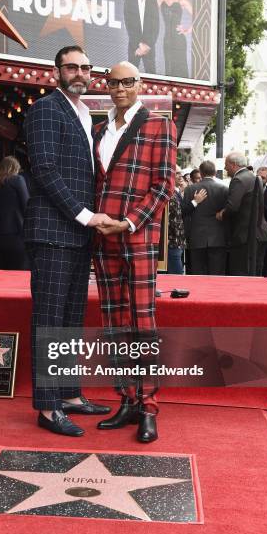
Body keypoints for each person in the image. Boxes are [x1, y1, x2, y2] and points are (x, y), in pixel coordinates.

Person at [24, 45, 112, 437]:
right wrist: (84, 215)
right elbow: (44, 168)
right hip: (54, 232)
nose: (80, 72)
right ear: (56, 71)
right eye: (71, 67)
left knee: (71, 321)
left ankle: (70, 395)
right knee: (49, 320)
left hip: (78, 235)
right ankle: (47, 408)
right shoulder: (46, 108)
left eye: (85, 67)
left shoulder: (83, 113)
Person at [92, 61, 177, 443]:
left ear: (139, 84)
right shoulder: (98, 129)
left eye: (128, 81)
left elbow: (163, 186)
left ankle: (148, 407)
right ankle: (126, 398)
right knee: (114, 324)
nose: (120, 88)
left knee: (143, 322)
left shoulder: (160, 125)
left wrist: (128, 222)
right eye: (114, 82)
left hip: (138, 237)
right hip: (102, 238)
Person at [216, 153, 264, 276]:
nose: (225, 168)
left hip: (243, 235)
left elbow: (233, 206)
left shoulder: (239, 179)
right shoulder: (251, 176)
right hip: (254, 232)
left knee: (240, 272)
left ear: (234, 165)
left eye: (226, 165)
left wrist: (222, 214)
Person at [0, 156, 29, 270]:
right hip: (15, 236)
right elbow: (27, 206)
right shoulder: (17, 180)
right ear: (15, 168)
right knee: (17, 276)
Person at [183, 161, 228, 275]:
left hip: (196, 237)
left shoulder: (190, 189)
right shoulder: (223, 189)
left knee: (198, 273)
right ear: (215, 172)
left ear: (201, 173)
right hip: (218, 238)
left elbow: (184, 211)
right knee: (217, 274)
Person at [123, 0, 159, 74]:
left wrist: (148, 45)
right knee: (130, 78)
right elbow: (128, 22)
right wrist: (139, 44)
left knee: (152, 79)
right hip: (135, 46)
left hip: (149, 47)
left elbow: (156, 26)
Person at [158, 0, 192, 78]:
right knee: (169, 69)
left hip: (179, 40)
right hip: (167, 39)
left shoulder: (182, 0)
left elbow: (201, 16)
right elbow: (148, 14)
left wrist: (187, 30)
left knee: (181, 70)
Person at [167, 167, 186, 274]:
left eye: (181, 173)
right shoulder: (168, 192)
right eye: (177, 173)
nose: (180, 176)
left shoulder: (174, 191)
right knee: (176, 276)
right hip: (172, 242)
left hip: (177, 241)